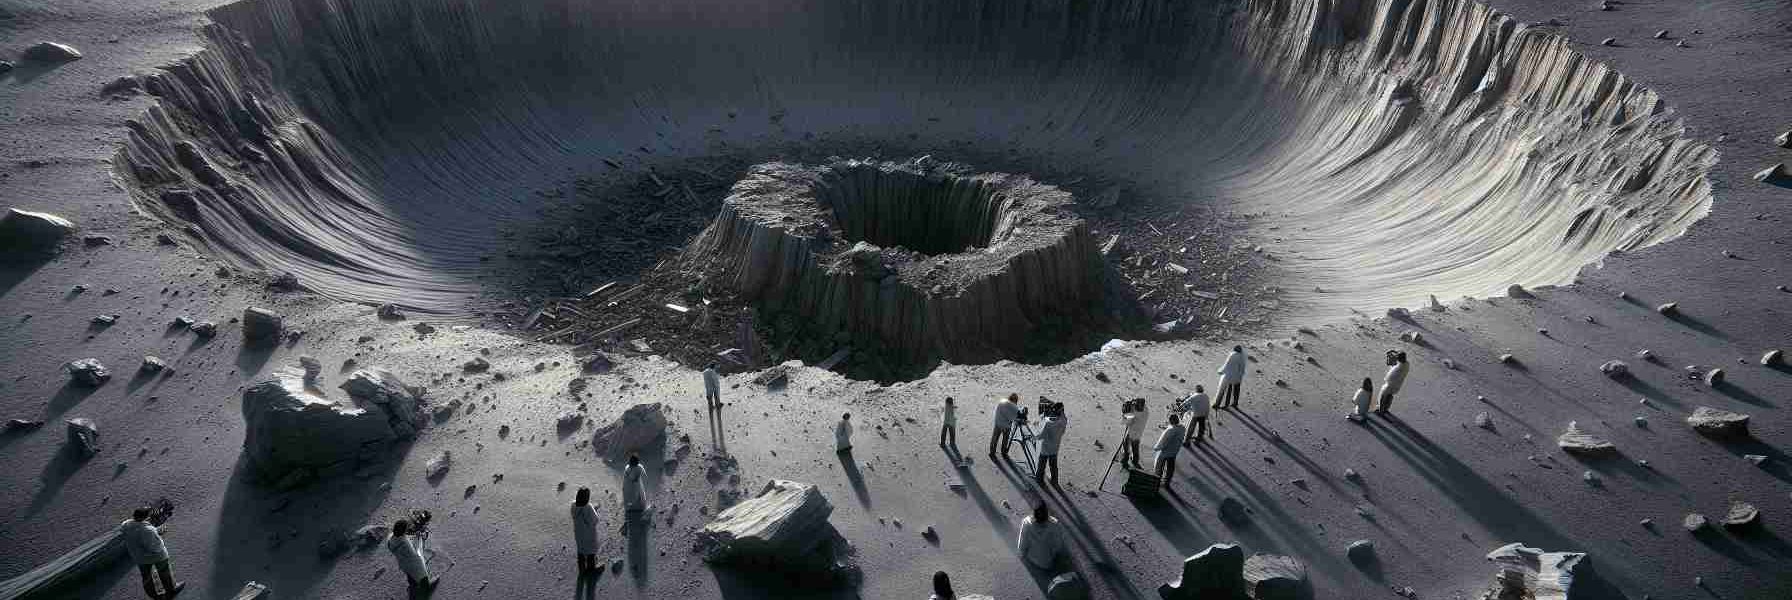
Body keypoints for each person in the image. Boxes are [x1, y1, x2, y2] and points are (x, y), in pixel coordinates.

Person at [121, 507, 182, 599]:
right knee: (164, 572)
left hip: (139, 557)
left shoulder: (125, 525)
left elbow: (139, 535)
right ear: (146, 517)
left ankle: (155, 596)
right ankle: (171, 590)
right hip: (157, 557)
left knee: (146, 577)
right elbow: (155, 548)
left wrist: (155, 531)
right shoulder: (148, 530)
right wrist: (158, 535)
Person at [387, 518, 436, 591]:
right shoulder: (405, 543)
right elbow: (415, 551)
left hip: (402, 564)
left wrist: (413, 536)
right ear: (403, 530)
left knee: (410, 575)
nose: (408, 529)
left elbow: (403, 539)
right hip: (413, 564)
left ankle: (413, 585)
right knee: (424, 579)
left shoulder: (390, 538)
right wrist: (418, 537)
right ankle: (425, 585)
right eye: (406, 528)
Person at [1016, 504, 1067, 570]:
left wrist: (1021, 553)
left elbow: (1023, 541)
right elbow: (1058, 544)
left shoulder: (1027, 523)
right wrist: (1054, 553)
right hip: (1048, 560)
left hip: (1032, 557)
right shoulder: (1054, 524)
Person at [1034, 404, 1066, 485]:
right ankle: (1054, 481)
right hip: (1055, 448)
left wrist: (1035, 431)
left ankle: (1039, 480)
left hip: (1045, 449)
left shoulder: (1048, 424)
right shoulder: (1063, 421)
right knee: (1053, 466)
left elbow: (1041, 436)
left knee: (1041, 465)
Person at [571, 487, 599, 572]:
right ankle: (592, 569)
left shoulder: (573, 505)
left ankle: (582, 569)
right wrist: (595, 510)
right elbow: (595, 520)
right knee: (591, 551)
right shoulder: (588, 507)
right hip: (589, 535)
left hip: (578, 534)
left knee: (581, 551)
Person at [1154, 414, 1186, 488]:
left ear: (1171, 420)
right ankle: (1167, 481)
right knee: (1170, 467)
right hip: (1174, 451)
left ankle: (1157, 480)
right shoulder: (1182, 428)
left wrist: (1156, 448)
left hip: (1165, 452)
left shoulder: (1170, 430)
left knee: (1159, 466)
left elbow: (1164, 441)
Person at [1377, 351, 1409, 415]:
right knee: (1390, 396)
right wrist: (1394, 352)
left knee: (1383, 396)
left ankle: (1381, 410)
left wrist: (1391, 361)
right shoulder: (1406, 364)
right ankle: (1386, 408)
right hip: (1398, 385)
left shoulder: (1398, 368)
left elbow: (1390, 376)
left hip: (1391, 384)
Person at [989, 394, 1020, 459]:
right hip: (1006, 426)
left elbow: (997, 411)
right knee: (1005, 439)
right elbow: (1013, 418)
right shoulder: (1014, 407)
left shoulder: (1002, 401)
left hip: (998, 423)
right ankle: (1003, 452)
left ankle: (992, 452)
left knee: (995, 438)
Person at [1117, 401, 1139, 468]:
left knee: (1126, 443)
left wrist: (1124, 417)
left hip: (1132, 430)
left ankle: (1125, 459)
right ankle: (1134, 460)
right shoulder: (1135, 410)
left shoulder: (1131, 412)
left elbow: (1127, 422)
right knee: (1134, 445)